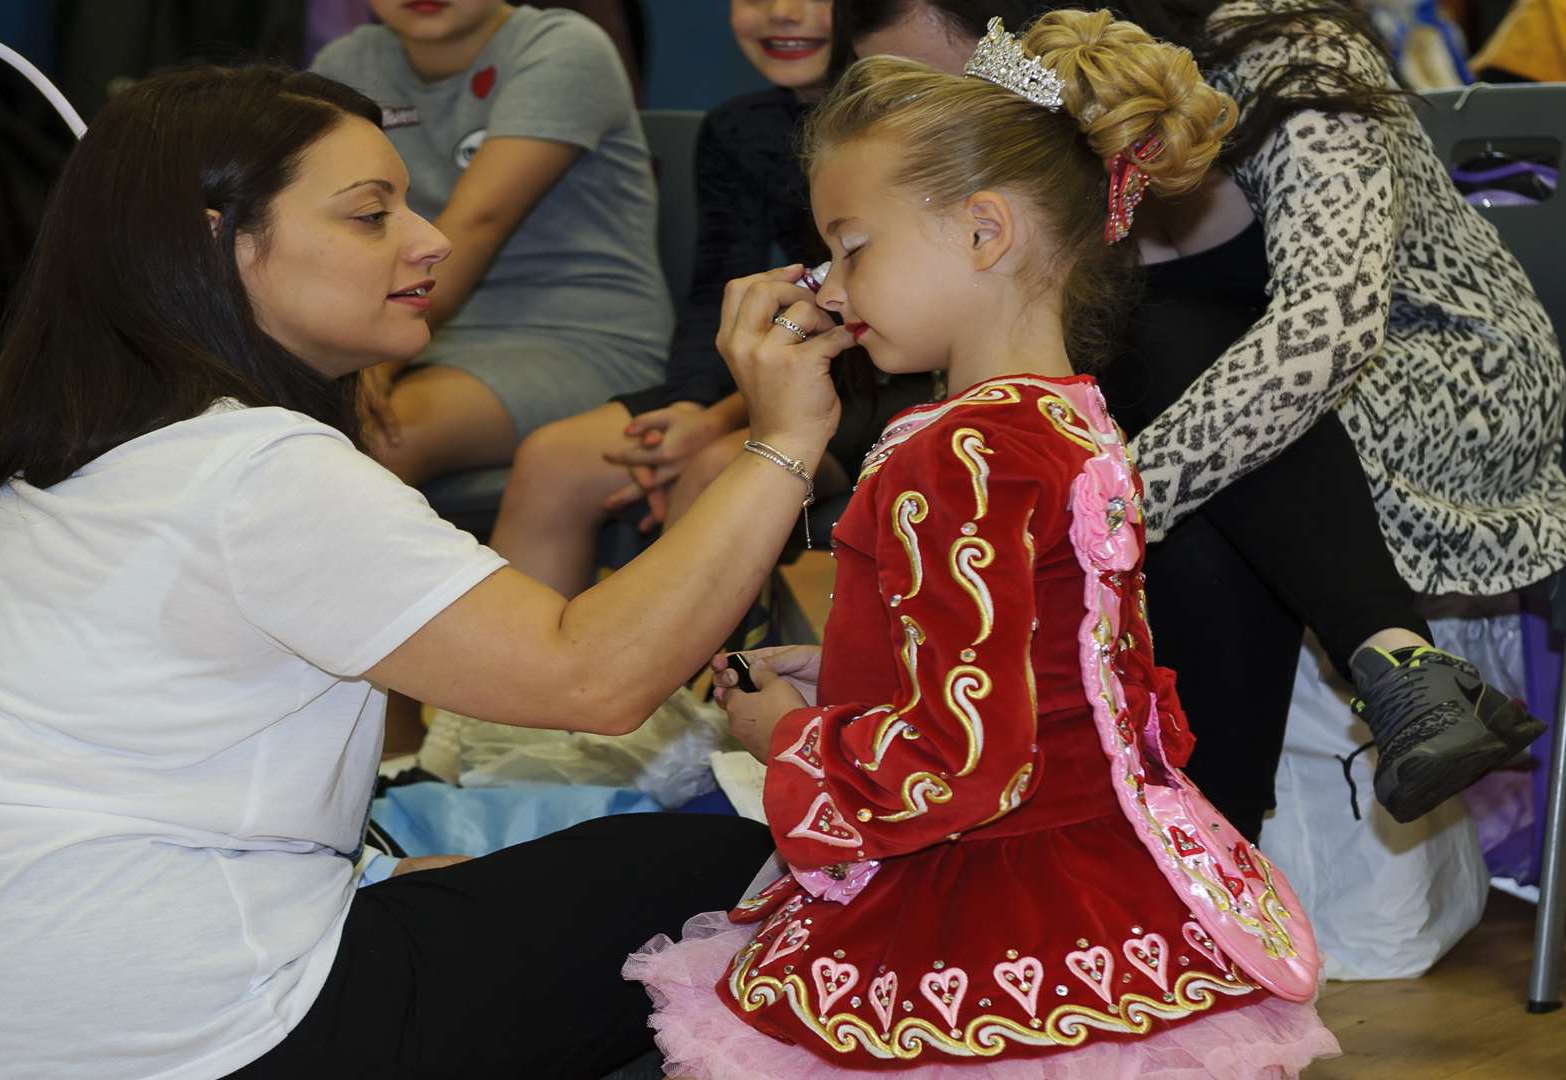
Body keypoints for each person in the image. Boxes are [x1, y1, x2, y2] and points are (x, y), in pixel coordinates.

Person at [0, 65, 858, 1079]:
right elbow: (595, 679)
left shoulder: (31, 452)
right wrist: (785, 436)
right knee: (731, 876)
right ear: (224, 243)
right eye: (370, 212)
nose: (428, 240)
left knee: (511, 875)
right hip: (145, 1035)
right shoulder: (253, 467)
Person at [626, 15, 1342, 1075]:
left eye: (852, 247)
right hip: (1100, 880)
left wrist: (789, 734)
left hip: (982, 901)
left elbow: (962, 760)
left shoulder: (958, 454)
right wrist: (850, 670)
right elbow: (1051, 659)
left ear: (984, 232)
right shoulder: (1065, 417)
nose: (830, 285)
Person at [835, 0, 1560, 837]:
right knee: (1159, 376)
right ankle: (1378, 686)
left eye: (934, 80)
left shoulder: (1288, 55)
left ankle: (1209, 843)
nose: (922, 125)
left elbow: (1327, 326)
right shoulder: (1009, 168)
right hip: (1238, 437)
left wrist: (1104, 510)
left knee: (1174, 370)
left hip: (1437, 380)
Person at [491, 0, 940, 600]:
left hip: (878, 380)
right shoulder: (740, 127)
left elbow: (846, 326)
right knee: (554, 461)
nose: (784, 13)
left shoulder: (927, 127)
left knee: (714, 470)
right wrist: (688, 410)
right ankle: (533, 687)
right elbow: (717, 289)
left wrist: (717, 426)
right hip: (768, 372)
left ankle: (670, 683)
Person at [309, 1, 671, 487]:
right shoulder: (345, 65)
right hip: (407, 332)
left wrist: (372, 361)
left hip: (574, 340)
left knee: (374, 441)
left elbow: (476, 224)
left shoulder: (561, 46)